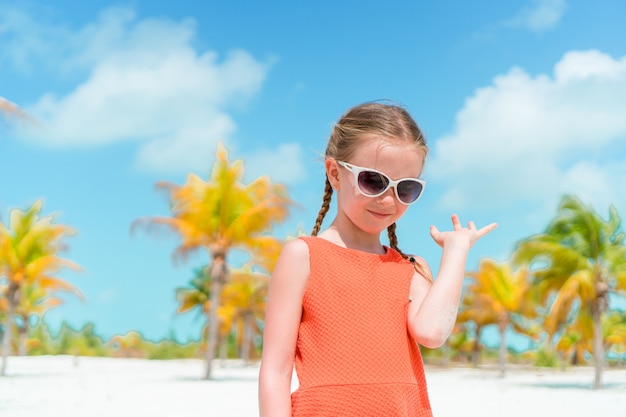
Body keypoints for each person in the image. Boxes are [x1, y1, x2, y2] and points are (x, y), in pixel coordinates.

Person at [258, 101, 497, 417]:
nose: (388, 199)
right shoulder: (304, 256)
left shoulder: (410, 268)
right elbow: (275, 370)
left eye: (406, 189)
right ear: (335, 173)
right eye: (373, 181)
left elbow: (433, 332)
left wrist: (456, 252)